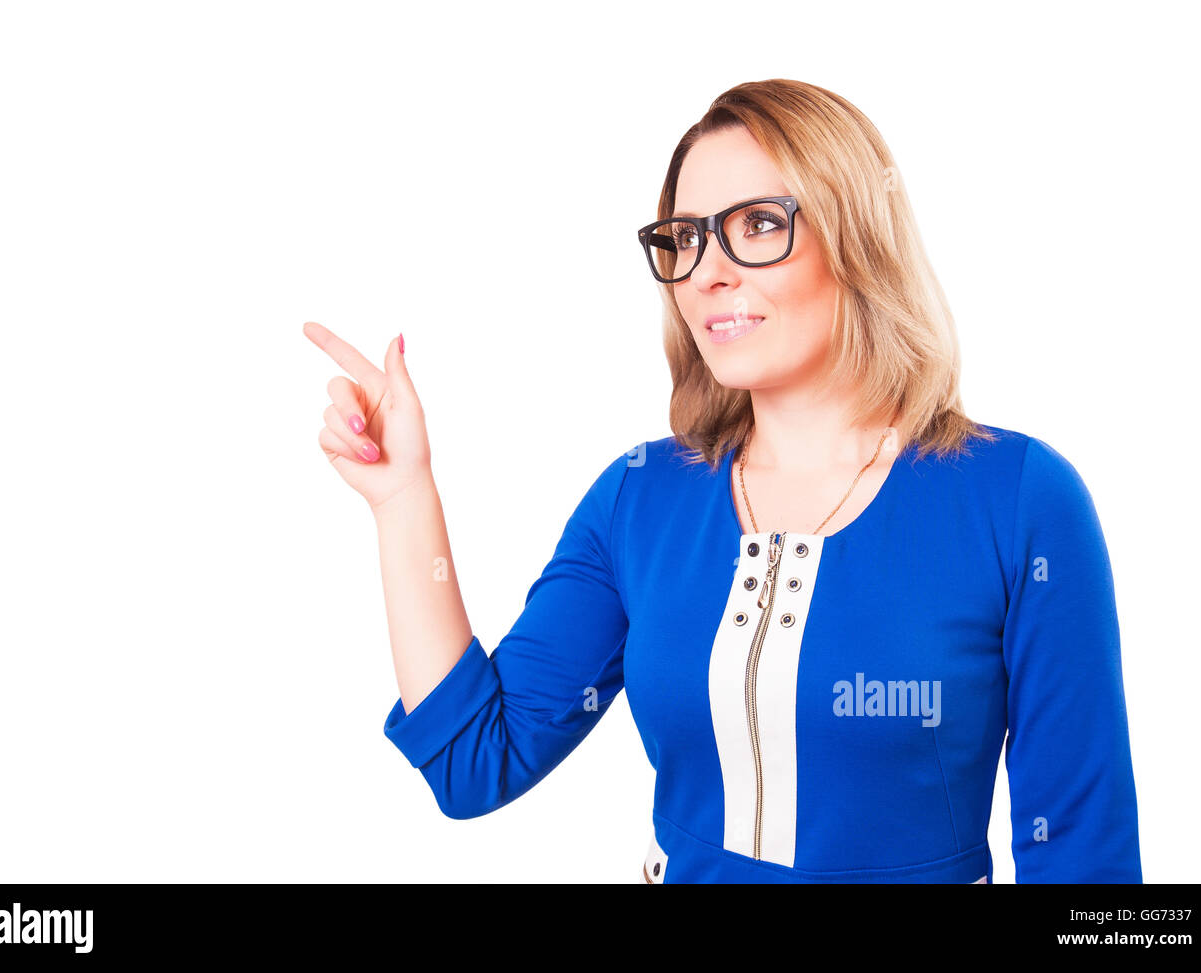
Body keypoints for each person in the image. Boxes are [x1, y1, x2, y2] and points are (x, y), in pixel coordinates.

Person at [304, 79, 1141, 883]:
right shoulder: (642, 497)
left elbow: (1082, 855)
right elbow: (473, 762)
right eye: (686, 238)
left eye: (756, 224)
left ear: (857, 237)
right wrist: (403, 496)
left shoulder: (1017, 500)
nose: (707, 271)